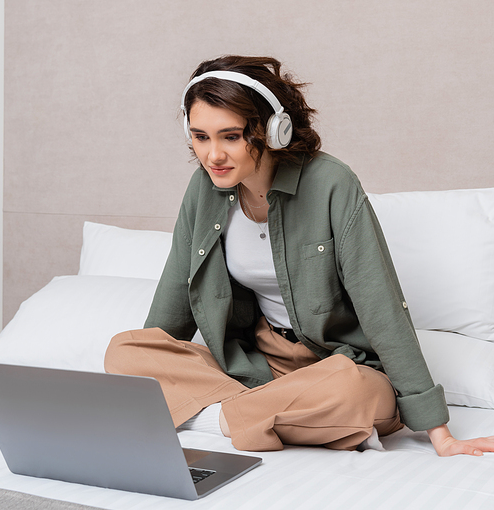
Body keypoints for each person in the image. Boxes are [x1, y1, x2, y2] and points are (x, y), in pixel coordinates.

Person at [105, 55, 494, 457]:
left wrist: (439, 433)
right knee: (125, 350)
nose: (213, 155)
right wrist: (151, 371)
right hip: (257, 367)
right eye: (201, 137)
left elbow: (382, 307)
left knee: (352, 392)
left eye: (231, 136)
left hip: (343, 367)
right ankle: (265, 412)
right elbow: (175, 296)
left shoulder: (331, 183)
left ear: (274, 130)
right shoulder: (205, 188)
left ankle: (220, 419)